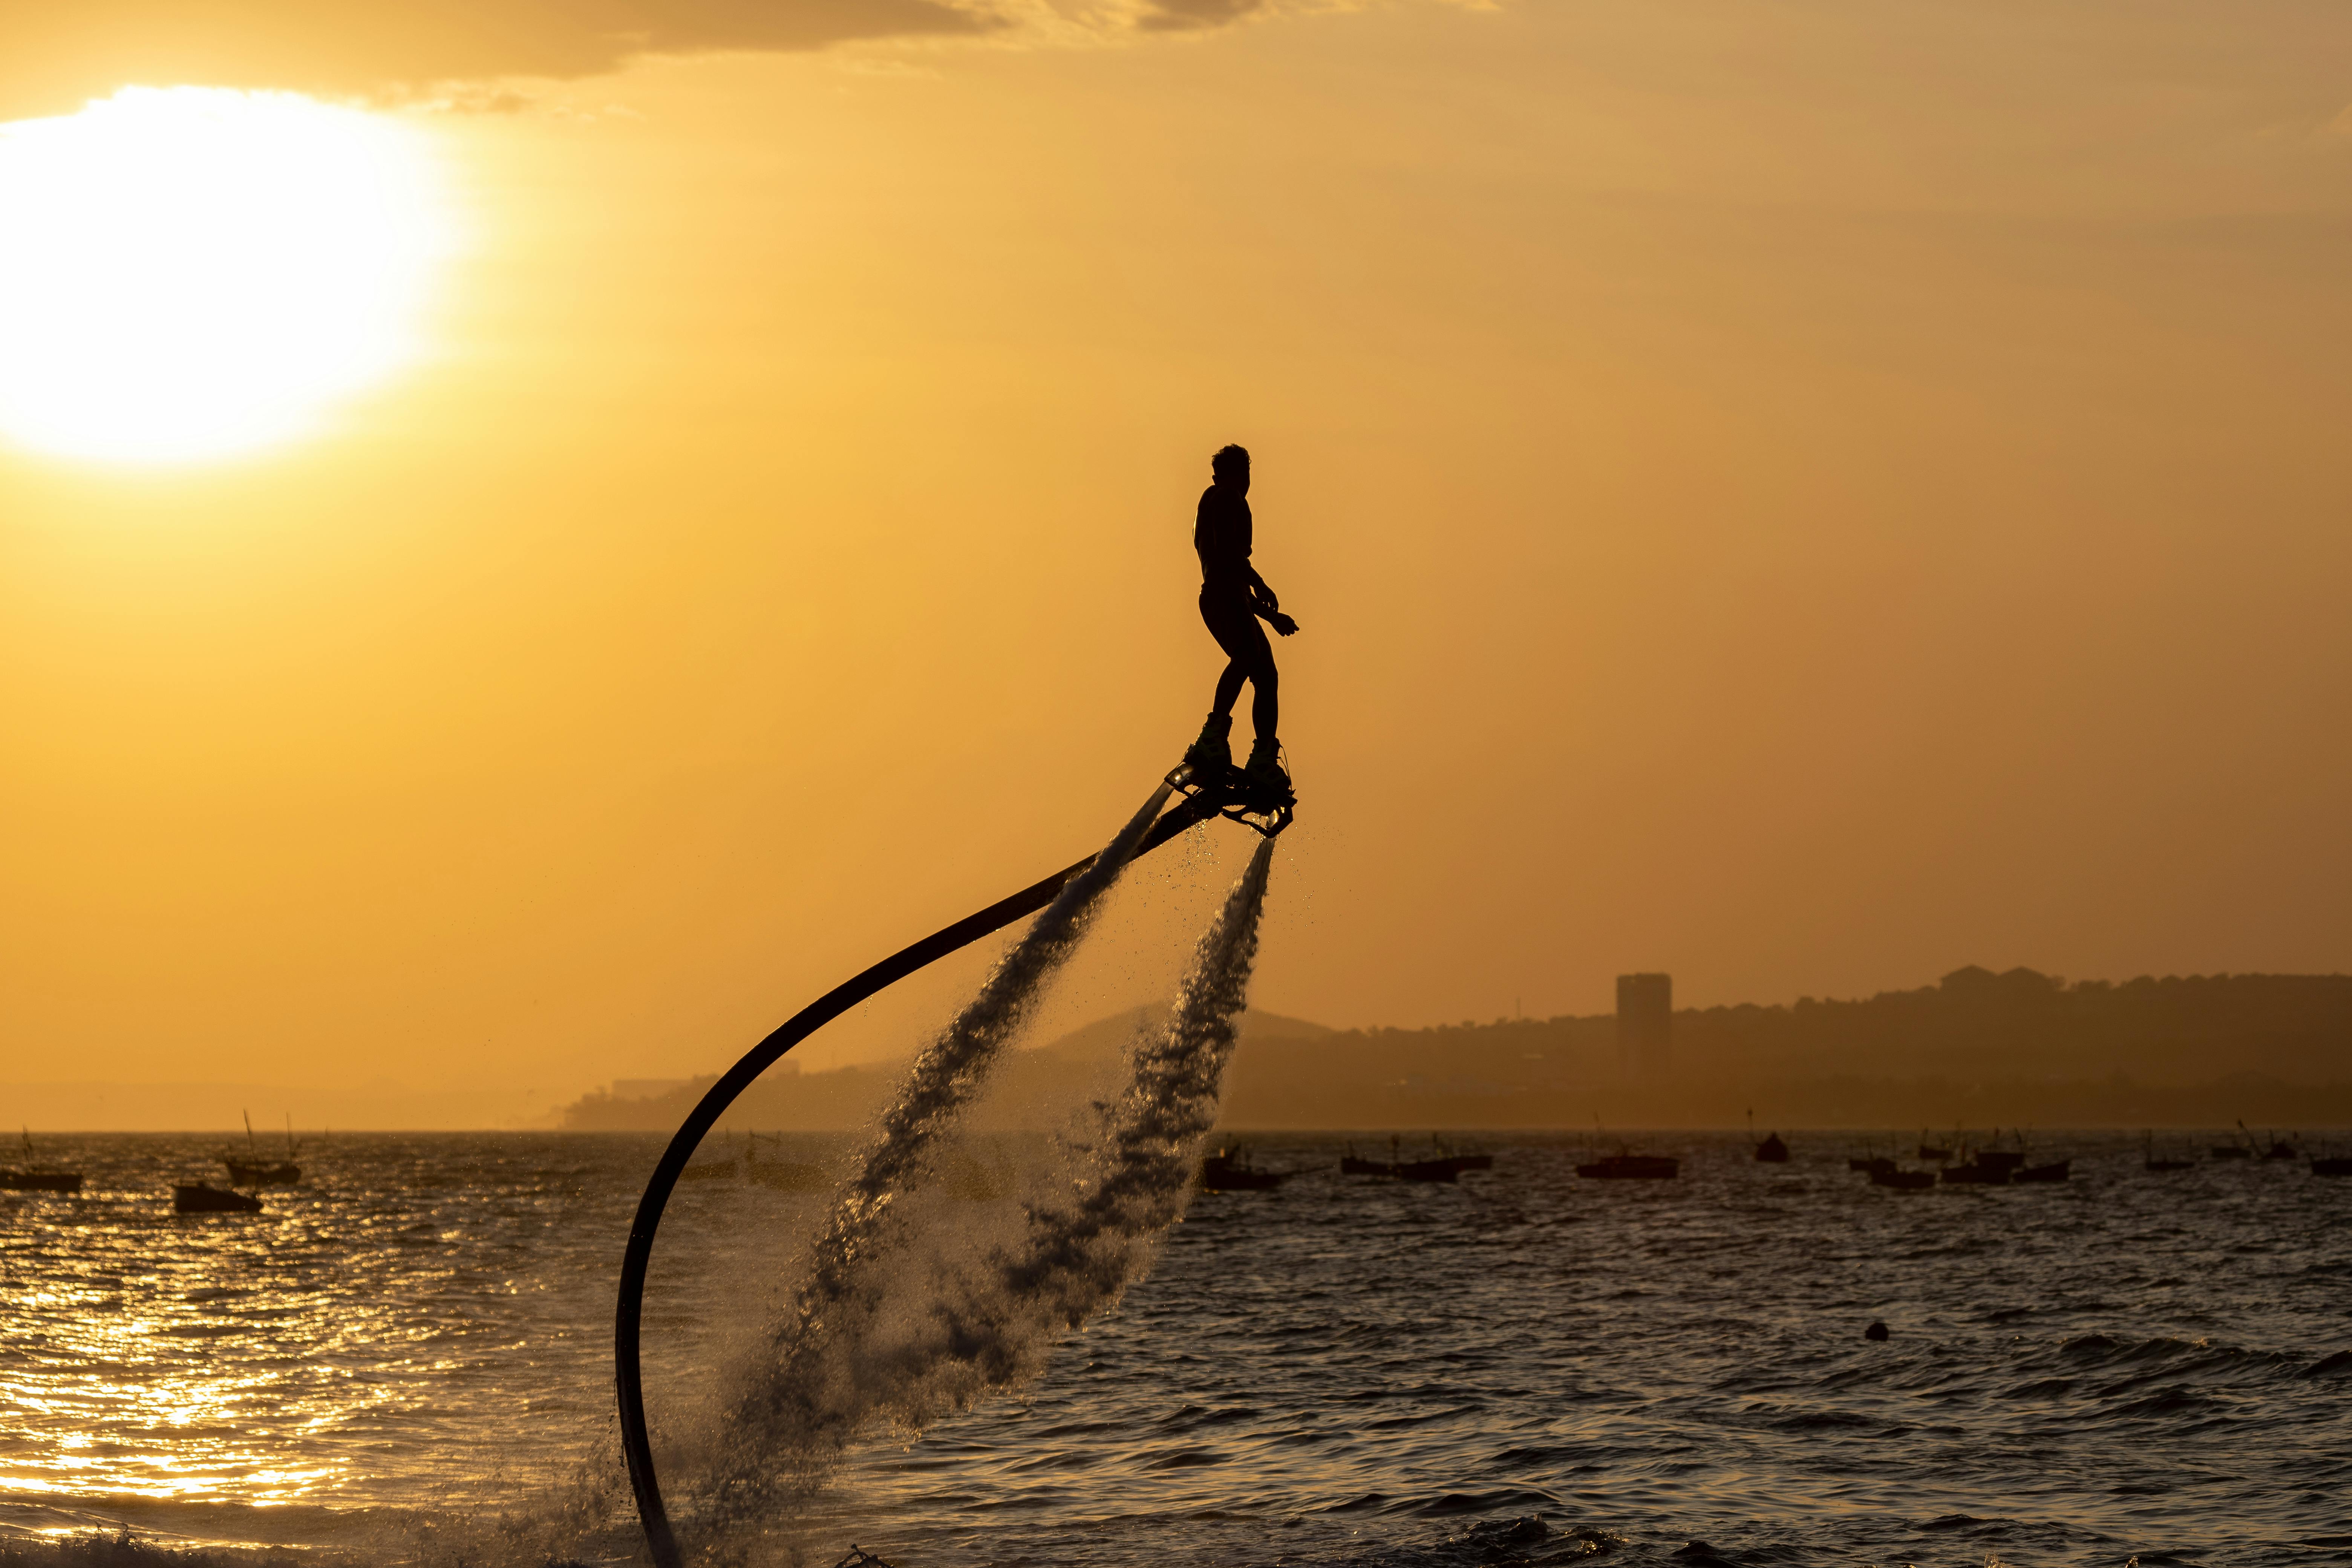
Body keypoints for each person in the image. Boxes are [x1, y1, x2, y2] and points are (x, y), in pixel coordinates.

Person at [1182, 443, 1298, 794]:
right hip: (1223, 597)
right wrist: (1260, 583)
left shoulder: (1214, 501)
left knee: (1266, 673)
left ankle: (1262, 756)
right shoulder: (1228, 498)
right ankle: (1213, 736)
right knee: (1249, 660)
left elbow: (1227, 568)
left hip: (1228, 598)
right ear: (1242, 474)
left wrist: (1269, 616)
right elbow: (1228, 555)